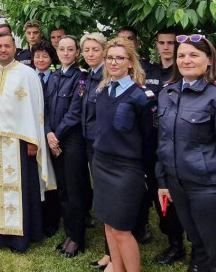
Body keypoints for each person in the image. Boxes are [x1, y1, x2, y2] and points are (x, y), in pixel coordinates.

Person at [0, 33, 55, 252]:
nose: (3, 50)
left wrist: (33, 142)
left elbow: (36, 110)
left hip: (19, 143)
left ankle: (21, 237)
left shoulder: (27, 74)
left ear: (15, 48)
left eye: (7, 46)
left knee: (21, 189)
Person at [157, 35, 216, 272]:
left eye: (194, 55)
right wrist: (163, 181)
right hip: (178, 185)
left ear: (209, 60)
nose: (186, 60)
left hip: (208, 187)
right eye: (181, 55)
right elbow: (163, 142)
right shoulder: (168, 93)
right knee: (197, 243)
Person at [92, 37, 156, 272]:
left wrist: (149, 175)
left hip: (127, 169)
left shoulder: (141, 96)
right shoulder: (102, 90)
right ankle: (116, 267)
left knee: (121, 229)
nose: (114, 62)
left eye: (120, 58)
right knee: (108, 225)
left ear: (130, 62)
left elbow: (149, 140)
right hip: (101, 165)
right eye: (110, 58)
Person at [140, 29, 187, 266]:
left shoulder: (181, 72)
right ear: (156, 45)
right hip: (149, 142)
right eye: (162, 43)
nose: (166, 47)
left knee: (173, 194)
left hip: (173, 143)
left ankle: (181, 243)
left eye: (171, 43)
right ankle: (166, 239)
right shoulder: (149, 70)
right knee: (153, 193)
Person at [45, 35, 88, 258]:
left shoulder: (81, 78)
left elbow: (75, 112)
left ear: (77, 53)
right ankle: (68, 234)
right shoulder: (53, 76)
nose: (65, 53)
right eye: (62, 49)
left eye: (70, 49)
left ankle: (77, 238)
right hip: (55, 140)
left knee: (74, 191)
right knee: (62, 189)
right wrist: (49, 133)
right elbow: (47, 108)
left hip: (71, 142)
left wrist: (56, 135)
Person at [77, 32, 110, 271]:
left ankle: (112, 253)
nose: (90, 54)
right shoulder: (89, 76)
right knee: (101, 194)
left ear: (104, 51)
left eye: (95, 50)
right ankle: (111, 251)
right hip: (89, 143)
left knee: (107, 198)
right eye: (86, 50)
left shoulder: (108, 77)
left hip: (104, 145)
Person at [31, 40, 60, 238]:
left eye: (45, 56)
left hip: (52, 133)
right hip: (32, 132)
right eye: (37, 56)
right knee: (36, 175)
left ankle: (53, 218)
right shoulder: (27, 77)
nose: (40, 60)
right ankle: (37, 216)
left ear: (51, 58)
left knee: (52, 175)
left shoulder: (57, 78)